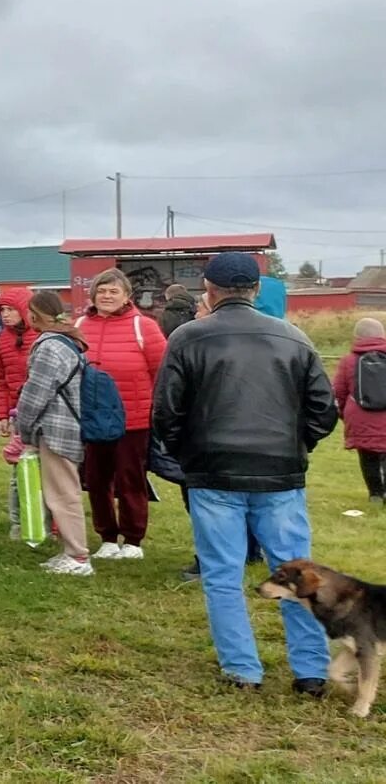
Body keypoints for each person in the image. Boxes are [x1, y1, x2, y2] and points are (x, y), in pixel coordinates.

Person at [151, 251, 338, 694]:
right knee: (297, 572)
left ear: (209, 291)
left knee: (221, 574)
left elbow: (166, 413)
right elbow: (323, 411)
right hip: (279, 474)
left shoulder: (187, 337)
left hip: (213, 473)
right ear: (255, 290)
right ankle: (310, 671)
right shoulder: (294, 337)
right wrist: (294, 445)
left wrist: (190, 455)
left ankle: (242, 671)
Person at [77, 269, 166, 560]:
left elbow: (161, 372)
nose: (106, 296)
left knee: (131, 479)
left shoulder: (145, 327)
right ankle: (106, 536)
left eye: (113, 291)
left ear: (127, 296)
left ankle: (133, 539)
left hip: (133, 419)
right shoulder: (79, 325)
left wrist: (153, 410)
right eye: (101, 291)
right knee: (96, 479)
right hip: (93, 418)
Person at [15, 290, 94, 575]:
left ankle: (78, 556)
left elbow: (36, 394)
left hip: (57, 429)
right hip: (68, 425)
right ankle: (73, 553)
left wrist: (22, 428)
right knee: (64, 491)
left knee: (63, 493)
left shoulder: (49, 346)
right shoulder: (68, 340)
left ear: (35, 314)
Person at [0, 287, 39, 537]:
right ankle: (19, 521)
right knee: (19, 468)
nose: (6, 315)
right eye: (2, 310)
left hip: (44, 410)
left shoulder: (41, 335)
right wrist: (3, 414)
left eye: (11, 309)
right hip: (17, 413)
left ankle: (49, 521)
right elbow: (0, 379)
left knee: (50, 468)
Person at [334, 318, 386, 502]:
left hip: (361, 417)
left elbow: (339, 392)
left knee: (368, 457)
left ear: (357, 336)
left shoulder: (348, 361)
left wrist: (343, 414)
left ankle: (375, 494)